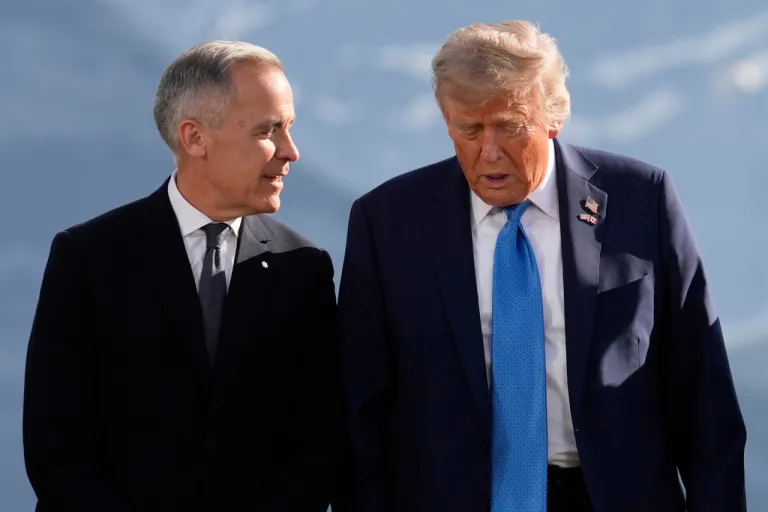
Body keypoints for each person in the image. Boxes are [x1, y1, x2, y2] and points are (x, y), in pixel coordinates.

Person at [338, 20, 747, 512]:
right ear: (446, 120)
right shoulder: (388, 222)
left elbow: (704, 398)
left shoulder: (641, 200)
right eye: (470, 129)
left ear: (555, 115)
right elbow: (360, 410)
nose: (489, 151)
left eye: (510, 126)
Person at [23, 41, 344, 511]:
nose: (290, 152)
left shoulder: (304, 267)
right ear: (194, 138)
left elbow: (318, 442)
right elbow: (56, 443)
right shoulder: (89, 258)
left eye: (289, 128)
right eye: (267, 130)